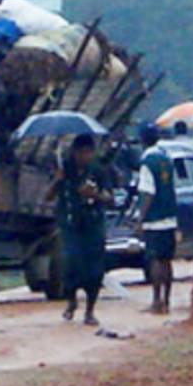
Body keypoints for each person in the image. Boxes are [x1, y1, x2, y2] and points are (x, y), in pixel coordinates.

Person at [47, 134, 112, 326]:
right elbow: (47, 197)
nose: (86, 156)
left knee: (95, 269)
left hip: (93, 224)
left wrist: (95, 194)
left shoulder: (98, 171)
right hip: (70, 224)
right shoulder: (64, 169)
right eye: (82, 152)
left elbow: (110, 198)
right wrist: (57, 180)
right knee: (70, 264)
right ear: (74, 153)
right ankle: (71, 300)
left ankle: (90, 310)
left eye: (89, 152)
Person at [135, 123, 177, 315]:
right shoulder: (166, 158)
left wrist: (140, 218)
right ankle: (166, 301)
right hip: (170, 216)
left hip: (154, 218)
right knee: (167, 260)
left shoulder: (147, 162)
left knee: (154, 260)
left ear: (142, 140)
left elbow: (148, 192)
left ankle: (156, 301)